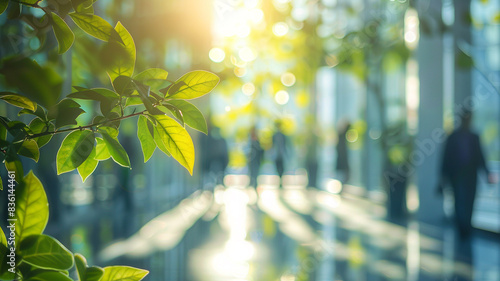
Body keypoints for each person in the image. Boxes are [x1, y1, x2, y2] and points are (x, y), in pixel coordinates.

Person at [439, 111, 496, 237]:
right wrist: (442, 177)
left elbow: (481, 157)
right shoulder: (453, 137)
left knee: (470, 201)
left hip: (471, 176)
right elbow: (446, 158)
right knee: (459, 201)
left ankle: (467, 228)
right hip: (456, 175)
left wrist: (487, 174)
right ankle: (461, 228)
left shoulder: (474, 137)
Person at [336, 121, 351, 185]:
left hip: (342, 159)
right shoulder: (342, 136)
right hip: (342, 159)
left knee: (345, 175)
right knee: (345, 174)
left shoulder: (341, 136)